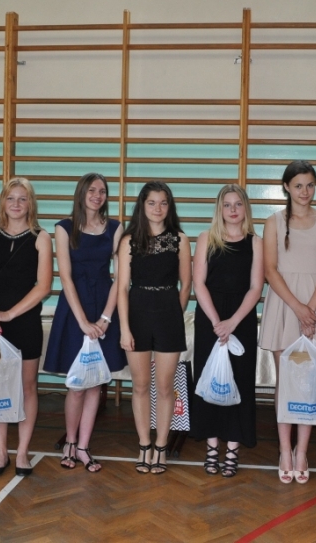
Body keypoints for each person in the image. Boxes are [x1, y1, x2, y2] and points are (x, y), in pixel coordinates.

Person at [259, 160, 316, 485]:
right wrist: (298, 308)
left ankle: (302, 451)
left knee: (308, 382)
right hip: (285, 305)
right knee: (286, 382)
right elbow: (270, 270)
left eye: (310, 185)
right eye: (299, 185)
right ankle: (285, 451)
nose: (305, 191)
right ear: (286, 188)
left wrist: (311, 310)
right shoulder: (273, 222)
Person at [43, 173, 125, 472]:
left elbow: (120, 277)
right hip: (74, 308)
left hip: (104, 305)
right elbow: (65, 277)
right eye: (92, 190)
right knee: (77, 385)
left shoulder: (115, 228)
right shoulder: (63, 228)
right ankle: (69, 441)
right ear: (81, 193)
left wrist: (105, 318)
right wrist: (83, 322)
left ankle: (83, 447)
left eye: (102, 191)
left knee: (97, 383)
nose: (97, 195)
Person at [0, 177, 53, 478]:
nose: (16, 204)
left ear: (31, 203)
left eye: (23, 198)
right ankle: (1, 452)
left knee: (27, 386)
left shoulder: (41, 237)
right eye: (11, 198)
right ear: (3, 202)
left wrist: (10, 314)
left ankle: (22, 452)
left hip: (26, 322)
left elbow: (43, 286)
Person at [117, 181, 192, 475]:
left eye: (163, 202)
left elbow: (186, 285)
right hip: (137, 315)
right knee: (140, 386)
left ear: (169, 206)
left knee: (164, 386)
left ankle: (161, 445)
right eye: (151, 202)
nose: (158, 208)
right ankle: (144, 445)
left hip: (168, 316)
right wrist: (124, 329)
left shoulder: (180, 239)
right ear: (142, 205)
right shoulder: (128, 240)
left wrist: (174, 313)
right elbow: (122, 288)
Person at [190, 185, 264, 478]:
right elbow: (198, 284)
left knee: (239, 382)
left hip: (241, 319)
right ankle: (211, 447)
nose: (233, 210)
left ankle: (232, 448)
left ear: (246, 208)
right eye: (227, 205)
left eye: (238, 204)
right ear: (219, 210)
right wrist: (216, 322)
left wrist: (232, 322)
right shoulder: (206, 238)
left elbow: (256, 287)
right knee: (209, 381)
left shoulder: (256, 242)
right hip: (210, 318)